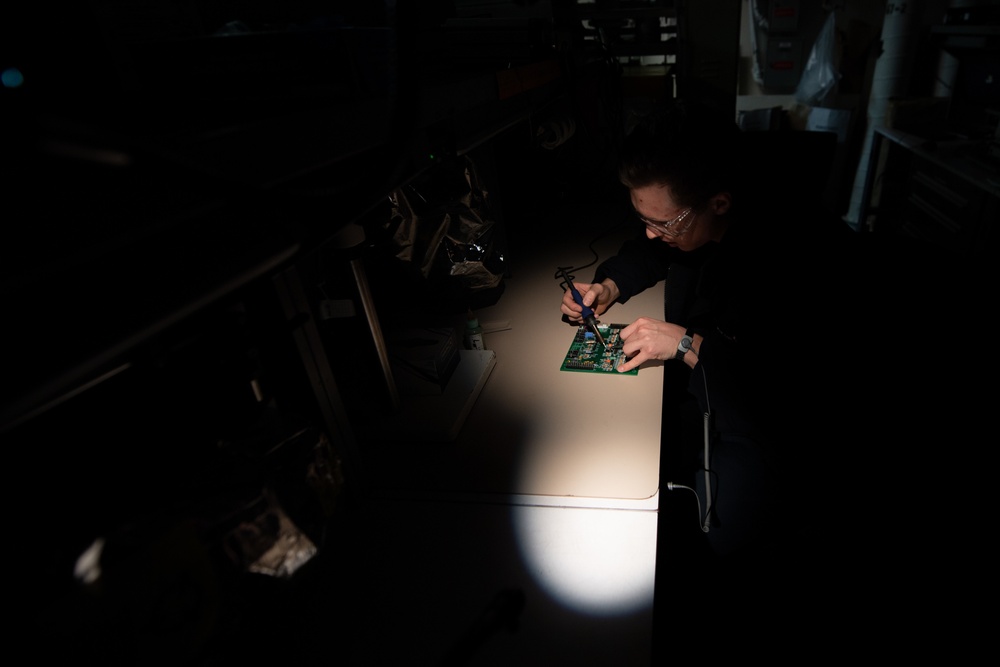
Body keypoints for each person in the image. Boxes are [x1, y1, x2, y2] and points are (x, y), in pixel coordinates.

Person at [559, 99, 864, 561]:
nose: (650, 233)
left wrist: (685, 343)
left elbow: (786, 386)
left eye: (661, 222)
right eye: (643, 218)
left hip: (784, 419)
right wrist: (607, 287)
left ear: (719, 202)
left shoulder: (799, 257)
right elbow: (650, 251)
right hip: (716, 382)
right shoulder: (691, 221)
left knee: (724, 536)